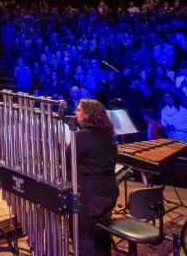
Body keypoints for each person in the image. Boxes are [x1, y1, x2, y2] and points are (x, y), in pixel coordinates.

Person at [74, 99, 119, 256]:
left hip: (90, 195)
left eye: (78, 110)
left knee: (83, 235)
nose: (75, 112)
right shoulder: (108, 135)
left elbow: (67, 161)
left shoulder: (82, 136)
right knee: (101, 233)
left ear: (87, 114)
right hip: (109, 192)